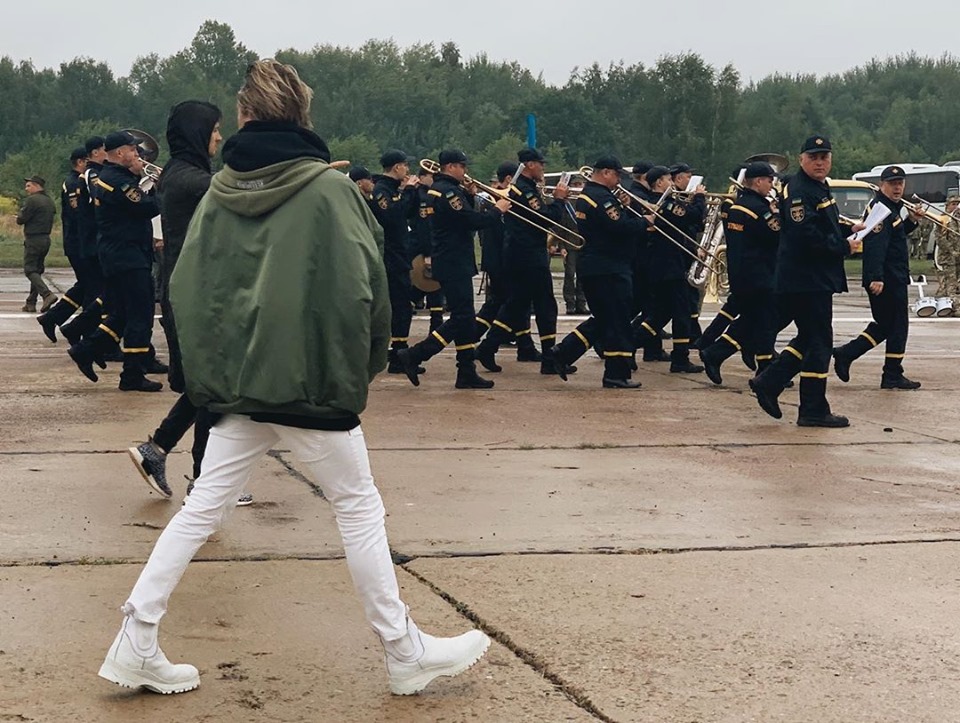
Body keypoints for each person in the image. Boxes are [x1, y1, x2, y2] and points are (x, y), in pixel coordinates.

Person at [98, 59, 491, 697]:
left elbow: (188, 288)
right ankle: (403, 650)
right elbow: (368, 289)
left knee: (201, 508)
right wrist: (363, 367)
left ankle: (136, 636)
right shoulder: (330, 191)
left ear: (245, 115)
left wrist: (212, 372)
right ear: (303, 113)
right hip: (311, 381)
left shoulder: (218, 192)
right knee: (358, 507)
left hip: (239, 382)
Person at [126, 101, 254, 506]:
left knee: (207, 386)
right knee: (217, 388)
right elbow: (245, 197)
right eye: (214, 129)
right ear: (198, 133)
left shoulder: (179, 174)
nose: (219, 136)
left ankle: (159, 450)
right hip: (198, 297)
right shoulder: (194, 181)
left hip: (192, 292)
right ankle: (203, 481)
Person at [748, 135, 862, 427]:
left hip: (813, 278)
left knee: (811, 338)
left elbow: (823, 225)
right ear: (802, 160)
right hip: (806, 279)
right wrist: (843, 246)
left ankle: (771, 383)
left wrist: (849, 229)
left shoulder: (817, 187)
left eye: (824, 157)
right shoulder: (800, 190)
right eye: (813, 157)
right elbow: (805, 236)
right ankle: (811, 408)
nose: (820, 162)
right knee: (819, 341)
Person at [396, 149, 510, 388]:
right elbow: (470, 221)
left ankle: (465, 371)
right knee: (462, 317)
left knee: (464, 319)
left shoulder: (443, 189)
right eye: (461, 166)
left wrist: (468, 196)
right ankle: (416, 354)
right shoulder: (447, 191)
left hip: (452, 259)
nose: (465, 171)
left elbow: (456, 219)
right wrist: (497, 209)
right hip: (453, 261)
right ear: (450, 167)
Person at [66, 130, 165, 392]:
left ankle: (86, 350)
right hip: (126, 255)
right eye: (133, 150)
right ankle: (132, 374)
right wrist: (162, 188)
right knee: (140, 314)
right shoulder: (116, 181)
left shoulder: (118, 177)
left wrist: (143, 179)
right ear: (120, 153)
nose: (137, 154)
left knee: (122, 312)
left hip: (124, 253)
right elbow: (146, 207)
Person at [548, 156, 647, 388]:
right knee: (618, 321)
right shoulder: (601, 198)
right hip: (609, 267)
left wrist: (625, 207)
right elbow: (619, 227)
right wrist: (645, 221)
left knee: (604, 319)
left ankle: (563, 352)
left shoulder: (589, 195)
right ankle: (616, 374)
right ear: (605, 173)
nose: (619, 180)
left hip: (597, 266)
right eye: (617, 175)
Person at [474, 148, 565, 375]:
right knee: (545, 305)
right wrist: (559, 200)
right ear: (530, 165)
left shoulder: (524, 188)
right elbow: (545, 218)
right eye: (541, 164)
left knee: (517, 305)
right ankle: (549, 358)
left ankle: (488, 347)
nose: (543, 168)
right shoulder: (525, 190)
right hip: (528, 255)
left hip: (520, 253)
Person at [832, 165, 923, 389]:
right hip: (887, 278)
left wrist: (911, 220)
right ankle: (890, 373)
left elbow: (895, 236)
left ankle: (848, 354)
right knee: (896, 326)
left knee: (886, 325)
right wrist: (876, 276)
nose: (897, 188)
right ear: (882, 185)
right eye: (892, 184)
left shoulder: (891, 208)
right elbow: (875, 245)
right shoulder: (880, 209)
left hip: (894, 275)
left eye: (900, 183)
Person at [698, 161, 781, 384]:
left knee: (755, 320)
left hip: (742, 273)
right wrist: (778, 213)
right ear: (758, 181)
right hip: (760, 274)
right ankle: (721, 355)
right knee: (763, 322)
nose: (772, 185)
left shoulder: (738, 206)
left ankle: (721, 355)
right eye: (769, 180)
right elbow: (776, 235)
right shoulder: (759, 209)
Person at [630, 165, 705, 374]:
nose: (671, 183)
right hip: (669, 265)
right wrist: (699, 197)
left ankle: (628, 346)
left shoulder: (660, 202)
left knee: (660, 314)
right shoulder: (665, 204)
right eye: (668, 180)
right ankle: (680, 358)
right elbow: (694, 216)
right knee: (681, 313)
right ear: (659, 183)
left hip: (663, 264)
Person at [370, 150, 419, 372]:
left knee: (403, 305)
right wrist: (408, 191)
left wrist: (413, 192)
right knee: (399, 306)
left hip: (400, 253)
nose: (407, 169)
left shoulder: (394, 190)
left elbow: (409, 213)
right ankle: (397, 355)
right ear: (397, 167)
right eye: (405, 165)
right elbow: (392, 216)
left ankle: (400, 350)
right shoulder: (381, 190)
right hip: (389, 256)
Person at [38, 149, 89, 341]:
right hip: (77, 243)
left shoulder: (77, 180)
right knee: (90, 286)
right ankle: (76, 326)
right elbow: (78, 214)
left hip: (78, 242)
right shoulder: (74, 182)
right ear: (80, 162)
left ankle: (52, 318)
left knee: (86, 285)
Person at [16, 175, 57, 313]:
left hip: (33, 239)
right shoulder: (49, 201)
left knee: (30, 270)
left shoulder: (32, 200)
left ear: (37, 186)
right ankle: (31, 302)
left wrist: (19, 217)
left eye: (29, 186)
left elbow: (22, 219)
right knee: (37, 270)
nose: (26, 189)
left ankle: (47, 294)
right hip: (45, 239)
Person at [935, 195, 960, 311]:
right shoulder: (943, 218)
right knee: (951, 283)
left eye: (957, 204)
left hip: (958, 257)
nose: (956, 207)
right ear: (947, 206)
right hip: (948, 257)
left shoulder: (958, 219)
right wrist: (952, 251)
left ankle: (943, 303)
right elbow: (940, 239)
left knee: (951, 284)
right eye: (953, 204)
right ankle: (954, 307)